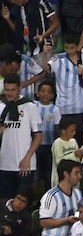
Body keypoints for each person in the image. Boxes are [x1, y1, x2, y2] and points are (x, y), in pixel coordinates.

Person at [0, 73, 42, 202]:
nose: (10, 93)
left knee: (23, 202)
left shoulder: (30, 107)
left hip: (25, 165)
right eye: (7, 90)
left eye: (13, 90)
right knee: (4, 202)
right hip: (5, 164)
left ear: (19, 88)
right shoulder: (2, 107)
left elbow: (38, 135)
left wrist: (28, 157)